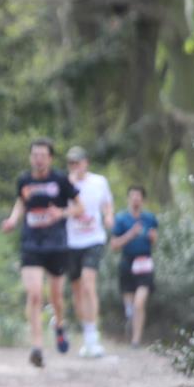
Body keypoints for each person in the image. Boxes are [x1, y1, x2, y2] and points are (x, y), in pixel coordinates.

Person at [1, 139, 83, 368]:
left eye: (42, 155)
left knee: (56, 297)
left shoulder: (60, 180)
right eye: (34, 154)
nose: (38, 159)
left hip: (56, 245)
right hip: (31, 245)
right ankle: (37, 346)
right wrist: (12, 220)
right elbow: (21, 203)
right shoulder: (24, 180)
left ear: (50, 158)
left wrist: (61, 213)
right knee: (35, 294)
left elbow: (80, 207)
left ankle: (59, 324)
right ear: (30, 158)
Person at [64, 146, 114, 358]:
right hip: (71, 241)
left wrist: (109, 216)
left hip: (94, 239)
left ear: (86, 162)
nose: (75, 167)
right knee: (76, 290)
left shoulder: (99, 181)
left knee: (88, 282)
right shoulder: (64, 184)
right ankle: (87, 335)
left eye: (78, 162)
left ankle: (94, 338)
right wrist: (70, 186)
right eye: (71, 163)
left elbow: (107, 203)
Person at [110, 186, 158, 348]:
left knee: (139, 303)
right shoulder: (121, 219)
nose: (136, 199)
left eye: (138, 196)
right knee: (130, 307)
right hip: (127, 262)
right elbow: (114, 245)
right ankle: (130, 322)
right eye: (133, 196)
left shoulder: (150, 218)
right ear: (128, 199)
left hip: (144, 262)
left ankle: (136, 340)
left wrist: (152, 238)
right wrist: (131, 234)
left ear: (143, 199)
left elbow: (154, 240)